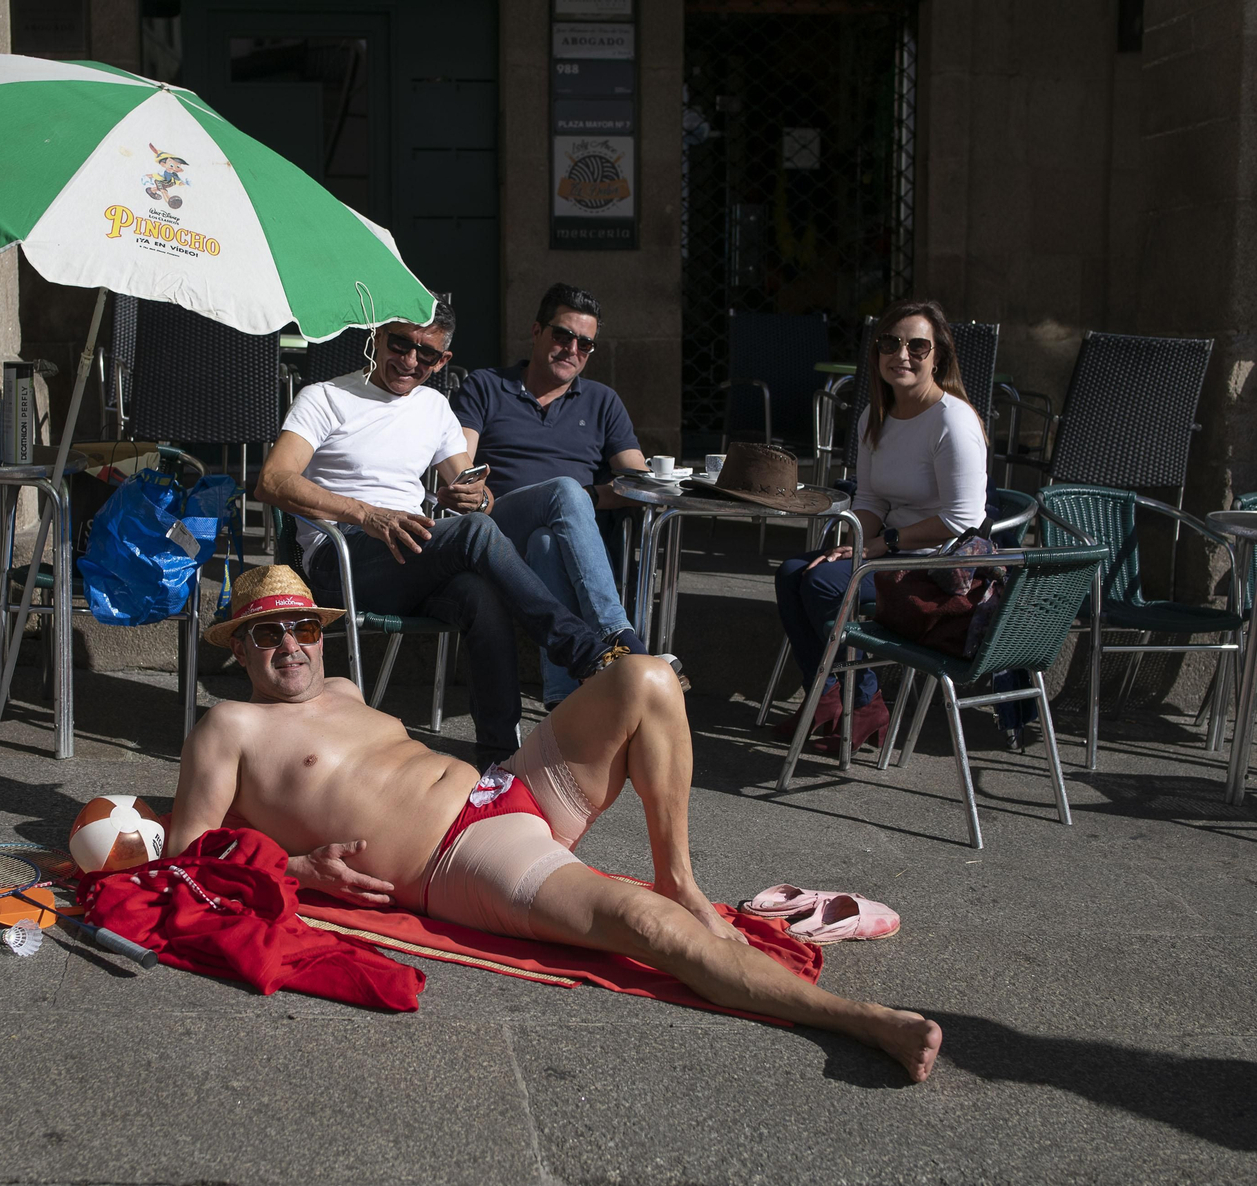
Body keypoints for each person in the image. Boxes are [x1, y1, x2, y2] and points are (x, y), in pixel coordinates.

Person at [168, 565, 943, 1083]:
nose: (292, 647)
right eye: (268, 634)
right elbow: (186, 859)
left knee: (644, 676)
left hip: (505, 788)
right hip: (460, 860)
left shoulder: (339, 684)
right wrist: (300, 873)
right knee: (643, 924)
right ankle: (862, 1024)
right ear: (238, 649)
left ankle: (682, 877)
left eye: (303, 627)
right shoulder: (227, 727)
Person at [255, 301, 648, 767]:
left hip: (411, 554)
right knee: (475, 535)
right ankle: (584, 652)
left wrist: (473, 497)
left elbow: (473, 488)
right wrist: (366, 514)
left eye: (427, 355)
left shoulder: (434, 406)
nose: (410, 361)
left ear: (443, 361)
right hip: (342, 555)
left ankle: (500, 760)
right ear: (378, 337)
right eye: (401, 344)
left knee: (480, 592)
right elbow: (274, 480)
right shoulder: (325, 398)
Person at [772, 299, 988, 751]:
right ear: (876, 353)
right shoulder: (876, 414)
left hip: (934, 566)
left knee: (827, 585)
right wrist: (855, 543)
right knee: (794, 571)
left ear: (939, 355)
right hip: (891, 551)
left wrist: (877, 547)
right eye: (889, 343)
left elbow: (962, 519)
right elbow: (869, 499)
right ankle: (828, 697)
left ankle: (866, 702)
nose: (901, 354)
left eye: (917, 345)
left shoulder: (952, 419)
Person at [449, 283, 657, 710]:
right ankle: (617, 634)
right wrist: (479, 497)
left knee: (548, 539)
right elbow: (460, 469)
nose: (572, 349)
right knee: (563, 490)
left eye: (585, 343)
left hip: (565, 540)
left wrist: (589, 499)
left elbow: (639, 484)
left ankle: (564, 700)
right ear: (537, 331)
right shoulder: (486, 386)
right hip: (498, 528)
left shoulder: (603, 401)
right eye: (563, 335)